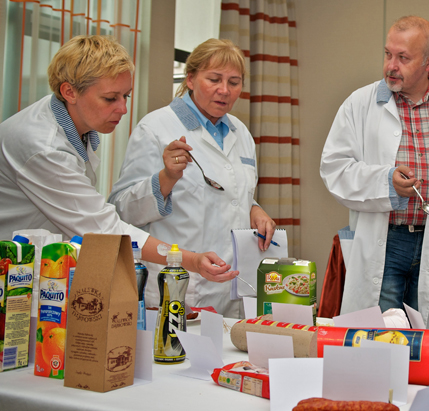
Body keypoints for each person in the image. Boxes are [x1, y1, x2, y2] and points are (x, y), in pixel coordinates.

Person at [0, 35, 236, 285]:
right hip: (15, 272)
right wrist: (190, 260)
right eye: (110, 98)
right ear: (69, 92)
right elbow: (104, 227)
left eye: (126, 96)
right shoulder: (43, 147)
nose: (123, 109)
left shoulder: (74, 127)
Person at [320, 16, 429, 330]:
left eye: (403, 58)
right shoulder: (359, 104)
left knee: (425, 343)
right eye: (388, 54)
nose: (391, 66)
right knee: (379, 339)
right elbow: (334, 169)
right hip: (386, 241)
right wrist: (385, 182)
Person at [109, 38, 275, 318]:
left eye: (234, 82)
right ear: (190, 79)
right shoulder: (155, 127)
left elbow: (229, 193)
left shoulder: (241, 133)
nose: (225, 90)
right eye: (214, 79)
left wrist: (254, 209)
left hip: (231, 284)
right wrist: (166, 177)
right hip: (181, 284)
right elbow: (122, 209)